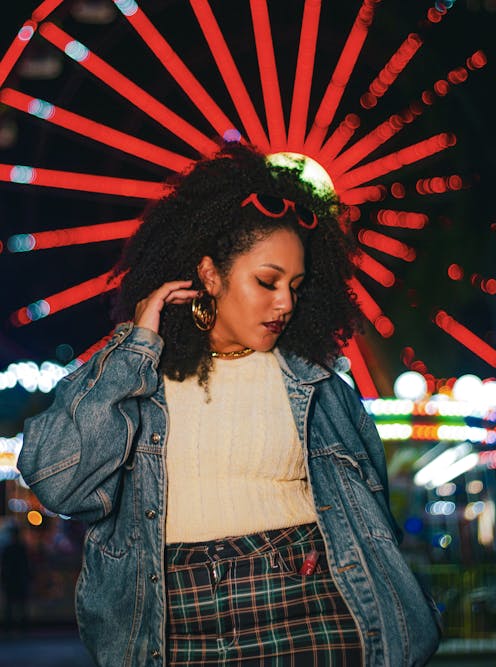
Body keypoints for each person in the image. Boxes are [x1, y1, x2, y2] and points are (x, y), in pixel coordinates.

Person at [18, 144, 441, 666]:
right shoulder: (138, 378)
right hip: (175, 627)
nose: (285, 301)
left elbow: (373, 521)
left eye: (296, 285)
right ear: (210, 274)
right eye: (267, 281)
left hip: (312, 614)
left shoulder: (321, 386)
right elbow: (55, 478)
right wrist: (135, 349)